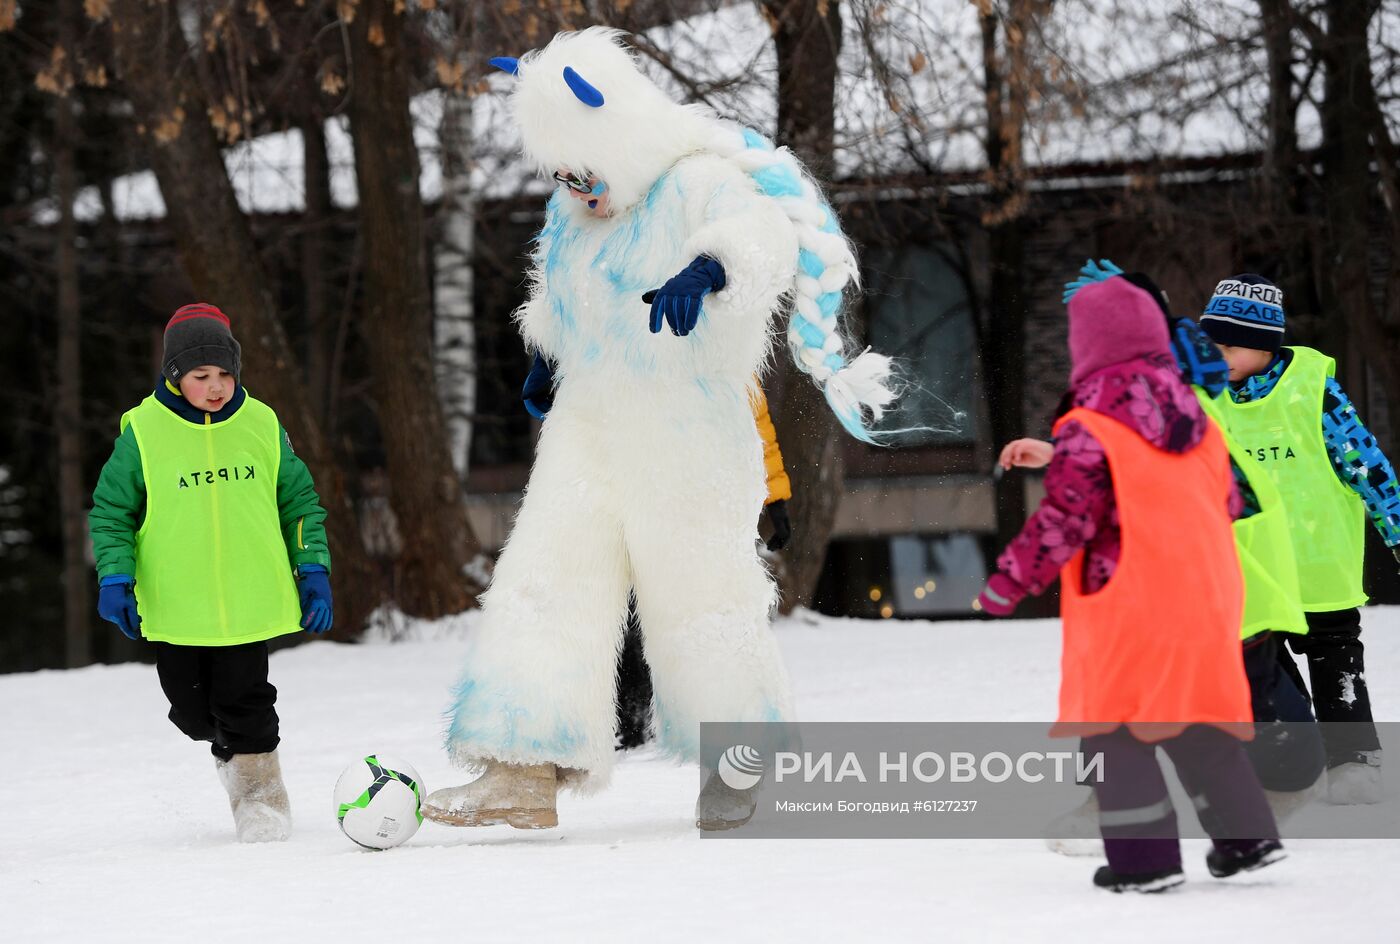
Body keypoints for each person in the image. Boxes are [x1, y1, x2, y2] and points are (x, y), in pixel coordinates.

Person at [422, 28, 896, 833]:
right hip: (590, 428)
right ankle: (521, 770)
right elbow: (558, 295)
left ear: (618, 132)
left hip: (689, 433)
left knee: (701, 600)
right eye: (560, 172)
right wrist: (546, 353)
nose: (574, 185)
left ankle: (741, 770)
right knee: (543, 581)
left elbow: (764, 241)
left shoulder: (695, 183)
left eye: (583, 166)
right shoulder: (573, 214)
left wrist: (709, 267)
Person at [1000, 263, 1325, 858]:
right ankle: (1117, 805)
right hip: (1184, 569)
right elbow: (1115, 447)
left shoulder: (1177, 376)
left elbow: (1138, 444)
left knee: (1241, 692)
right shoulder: (1152, 384)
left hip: (1220, 561)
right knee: (1122, 692)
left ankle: (1282, 785)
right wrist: (1060, 451)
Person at [89, 303, 334, 843]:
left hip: (249, 601)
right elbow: (112, 513)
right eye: (202, 376)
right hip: (178, 604)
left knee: (247, 701)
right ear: (176, 375)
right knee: (192, 710)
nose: (217, 386)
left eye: (225, 373)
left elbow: (298, 501)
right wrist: (115, 577)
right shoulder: (143, 431)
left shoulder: (262, 423)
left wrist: (311, 565)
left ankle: (261, 802)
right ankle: (227, 752)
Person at [1198, 273, 1399, 803]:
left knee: (1336, 662)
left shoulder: (1313, 389)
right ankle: (1294, 754)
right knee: (1266, 674)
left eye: (1229, 344)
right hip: (1254, 573)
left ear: (1265, 345)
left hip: (1319, 566)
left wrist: (1396, 529)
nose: (1216, 355)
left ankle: (1353, 760)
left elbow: (1367, 466)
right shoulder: (1206, 401)